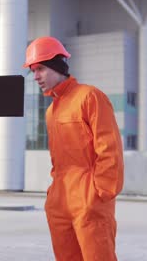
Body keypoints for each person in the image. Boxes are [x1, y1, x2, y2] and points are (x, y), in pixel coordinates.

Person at [23, 36, 124, 261]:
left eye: (40, 69)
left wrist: (100, 194)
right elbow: (58, 160)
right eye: (33, 71)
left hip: (89, 198)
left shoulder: (90, 97)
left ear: (57, 66)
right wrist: (53, 196)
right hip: (60, 202)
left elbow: (110, 149)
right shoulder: (51, 112)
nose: (36, 76)